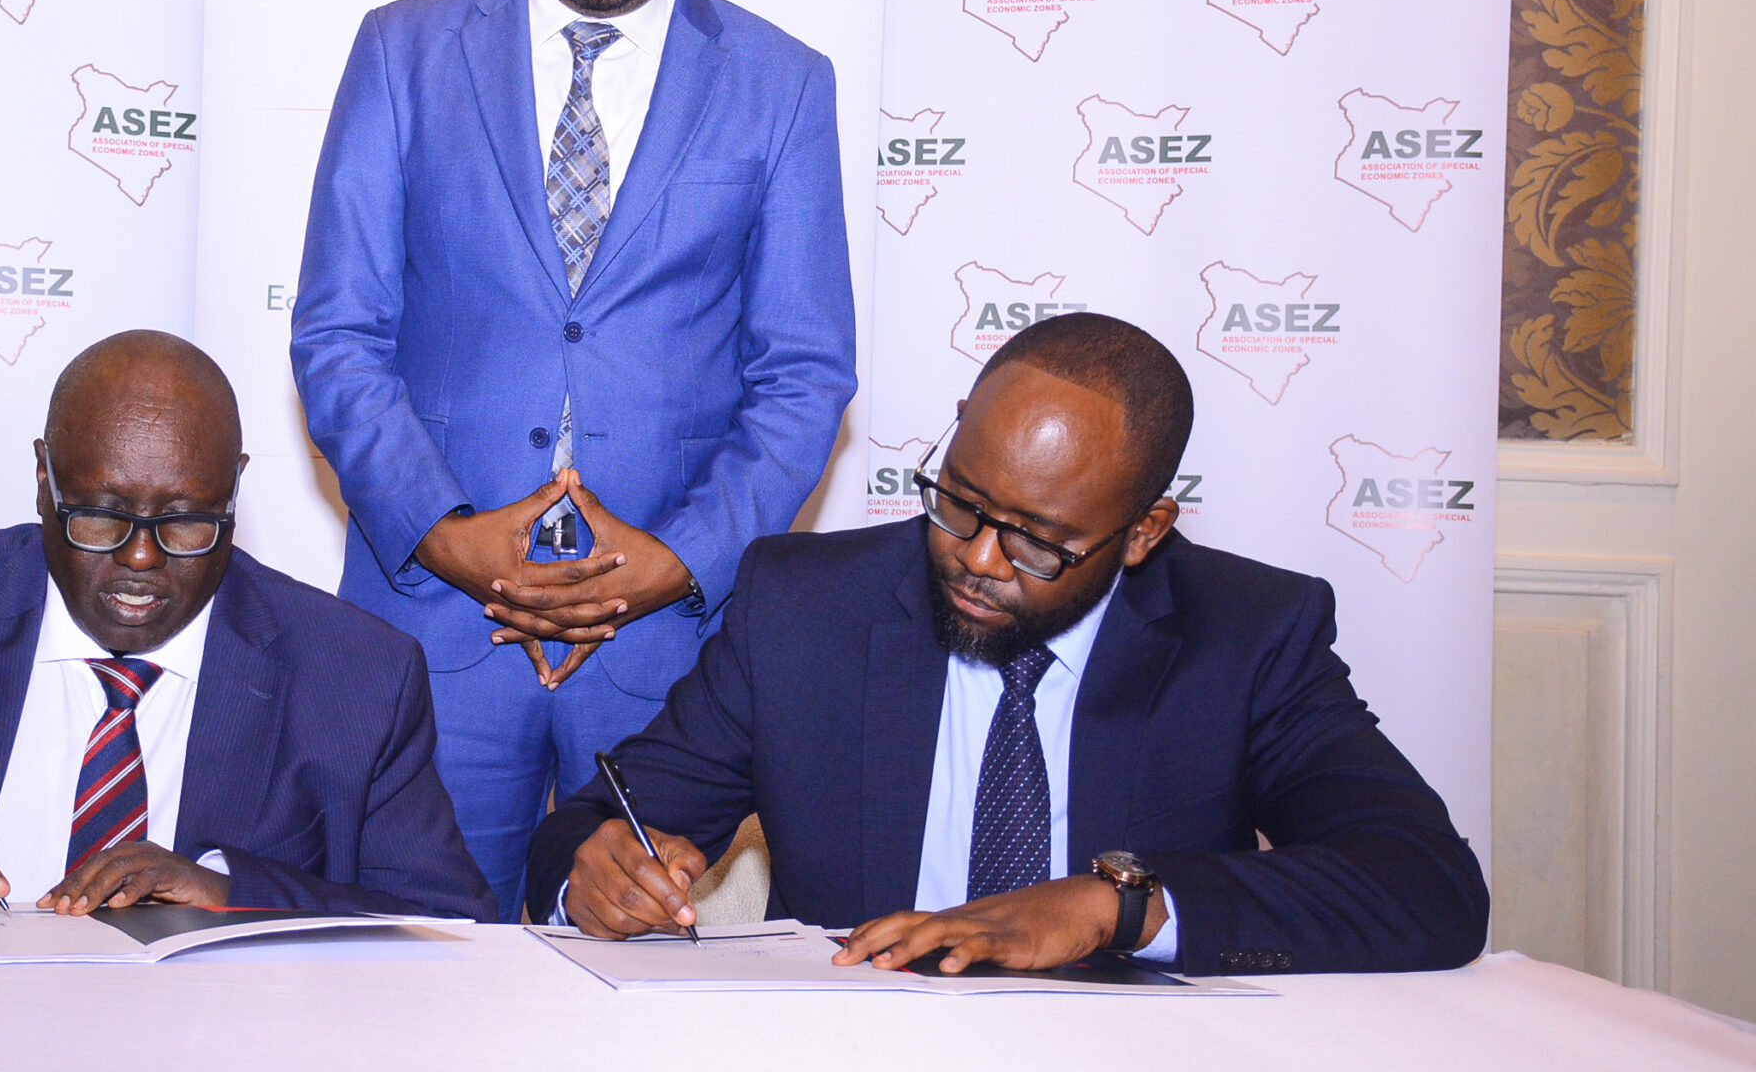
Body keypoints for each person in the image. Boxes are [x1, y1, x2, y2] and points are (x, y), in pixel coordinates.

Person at [292, 0, 856, 919]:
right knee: (416, 976)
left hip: (664, 658)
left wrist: (676, 562)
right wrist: (451, 536)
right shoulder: (402, 51)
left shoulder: (783, 83)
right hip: (435, 634)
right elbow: (339, 334)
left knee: (636, 1009)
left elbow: (803, 373)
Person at [528, 313, 1489, 977]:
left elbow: (1428, 884)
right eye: (960, 501)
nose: (978, 557)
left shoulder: (1245, 636)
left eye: (1036, 538)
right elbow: (589, 828)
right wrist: (594, 875)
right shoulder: (804, 608)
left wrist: (1114, 906)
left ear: (1145, 531)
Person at [0, 330, 493, 922]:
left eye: (184, 521)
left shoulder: (355, 677)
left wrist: (227, 888)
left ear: (235, 491)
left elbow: (452, 928)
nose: (141, 558)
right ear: (43, 479)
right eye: (102, 517)